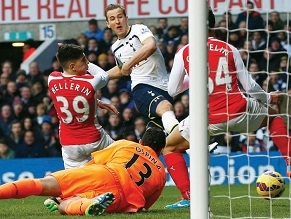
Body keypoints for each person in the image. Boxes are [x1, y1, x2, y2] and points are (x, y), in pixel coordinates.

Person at [164, 8, 291, 209]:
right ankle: (289, 163)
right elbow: (249, 86)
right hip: (239, 111)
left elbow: (172, 90)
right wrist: (268, 98)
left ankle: (188, 197)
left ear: (192, 26)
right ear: (214, 25)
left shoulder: (184, 52)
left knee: (170, 147)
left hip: (205, 120)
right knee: (274, 117)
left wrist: (194, 78)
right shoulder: (229, 48)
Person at [0, 127, 166, 216]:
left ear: (141, 141)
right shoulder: (161, 174)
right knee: (65, 206)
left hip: (107, 173)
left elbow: (94, 162)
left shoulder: (127, 144)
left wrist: (76, 182)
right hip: (125, 199)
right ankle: (86, 203)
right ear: (161, 150)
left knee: (42, 184)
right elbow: (146, 204)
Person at [104, 4, 179, 135]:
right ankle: (194, 144)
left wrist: (128, 64)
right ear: (108, 24)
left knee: (158, 139)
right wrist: (100, 77)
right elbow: (122, 69)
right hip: (141, 87)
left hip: (164, 87)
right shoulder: (115, 47)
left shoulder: (139, 29)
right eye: (112, 18)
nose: (117, 21)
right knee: (165, 107)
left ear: (126, 18)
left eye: (120, 17)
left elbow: (151, 45)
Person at [47, 44, 120, 169]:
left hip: (69, 144)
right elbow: (104, 75)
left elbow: (69, 94)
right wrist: (90, 64)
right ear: (72, 66)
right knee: (121, 156)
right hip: (95, 140)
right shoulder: (90, 81)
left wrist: (95, 102)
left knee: (77, 181)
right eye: (83, 60)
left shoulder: (52, 78)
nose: (87, 62)